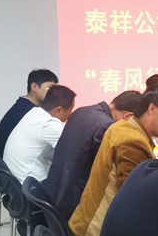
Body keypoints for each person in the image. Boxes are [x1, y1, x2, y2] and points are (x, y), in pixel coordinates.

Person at [69, 85, 158, 236]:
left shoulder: (122, 127)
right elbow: (134, 202)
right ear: (152, 108)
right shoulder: (133, 142)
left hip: (85, 229)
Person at [44, 91, 142, 221]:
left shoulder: (81, 111)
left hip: (53, 188)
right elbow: (107, 170)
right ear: (128, 116)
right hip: (72, 203)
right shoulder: (107, 127)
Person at [3, 85, 76, 184]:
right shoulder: (49, 124)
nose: (71, 114)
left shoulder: (34, 113)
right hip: (30, 185)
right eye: (71, 109)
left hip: (15, 180)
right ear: (59, 109)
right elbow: (74, 152)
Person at [0, 69, 58, 157]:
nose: (54, 93)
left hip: (4, 159)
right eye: (51, 88)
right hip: (11, 160)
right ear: (34, 87)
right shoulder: (30, 112)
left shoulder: (22, 106)